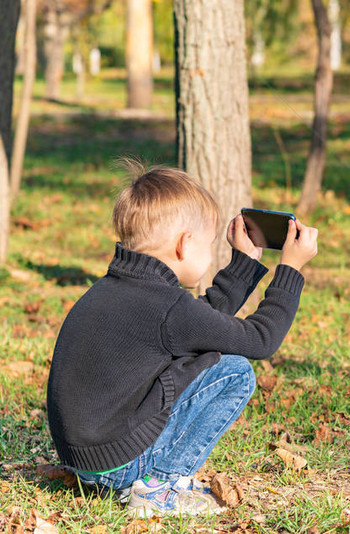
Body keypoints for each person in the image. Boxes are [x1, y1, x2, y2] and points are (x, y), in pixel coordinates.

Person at [46, 160, 319, 517]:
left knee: (199, 356)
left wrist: (243, 264)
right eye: (208, 246)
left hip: (87, 460)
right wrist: (291, 270)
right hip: (119, 463)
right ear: (184, 245)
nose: (209, 255)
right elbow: (262, 340)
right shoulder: (167, 306)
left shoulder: (113, 289)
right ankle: (158, 487)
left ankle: (139, 479)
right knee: (235, 370)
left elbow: (197, 325)